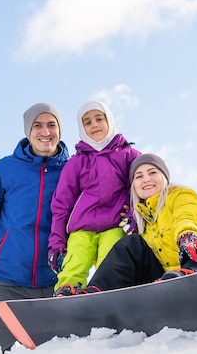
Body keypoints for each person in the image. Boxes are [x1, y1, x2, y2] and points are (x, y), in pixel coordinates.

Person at [0, 102, 70, 351]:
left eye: (52, 125)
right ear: (28, 131)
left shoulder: (73, 170)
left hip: (57, 285)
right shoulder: (7, 168)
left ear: (60, 130)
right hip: (8, 285)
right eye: (38, 125)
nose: (45, 132)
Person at [58, 153, 197, 294]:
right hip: (166, 281)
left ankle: (195, 276)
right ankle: (97, 292)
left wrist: (187, 235)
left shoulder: (179, 195)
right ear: (134, 186)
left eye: (152, 172)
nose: (146, 179)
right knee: (130, 244)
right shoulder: (140, 222)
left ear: (164, 177)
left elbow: (188, 213)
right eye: (139, 176)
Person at [48, 100, 141, 292]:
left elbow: (140, 188)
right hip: (81, 227)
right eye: (88, 122)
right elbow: (61, 205)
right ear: (82, 128)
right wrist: (57, 243)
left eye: (99, 119)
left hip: (116, 225)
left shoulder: (128, 155)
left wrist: (134, 216)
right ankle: (67, 291)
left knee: (112, 258)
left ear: (109, 121)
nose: (94, 125)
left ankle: (110, 292)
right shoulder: (76, 162)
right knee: (76, 258)